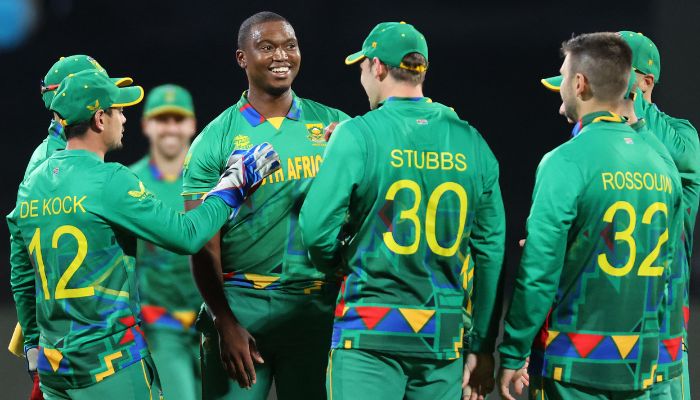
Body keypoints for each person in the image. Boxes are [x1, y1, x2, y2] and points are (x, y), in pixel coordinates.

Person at [8, 69, 279, 399]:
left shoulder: (32, 182)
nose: (124, 118)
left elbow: (23, 274)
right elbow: (187, 235)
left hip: (56, 369)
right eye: (119, 109)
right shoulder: (109, 180)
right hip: (110, 365)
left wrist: (34, 347)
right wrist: (235, 184)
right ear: (99, 118)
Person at [299, 21, 506, 400]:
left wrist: (341, 260)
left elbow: (314, 232)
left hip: (369, 334)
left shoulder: (357, 134)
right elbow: (490, 252)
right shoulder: (473, 141)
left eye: (362, 67)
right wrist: (482, 345)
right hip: (441, 341)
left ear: (377, 67)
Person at [498, 32, 683, 399]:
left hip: (573, 367)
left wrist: (513, 351)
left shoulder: (565, 161)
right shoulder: (662, 161)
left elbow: (539, 272)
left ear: (580, 84)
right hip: (643, 367)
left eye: (565, 76)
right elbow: (671, 270)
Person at [182, 11, 349, 400]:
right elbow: (201, 240)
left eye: (290, 45)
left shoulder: (337, 127)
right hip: (242, 308)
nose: (282, 56)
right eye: (267, 46)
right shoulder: (214, 139)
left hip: (316, 308)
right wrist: (224, 321)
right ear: (242, 58)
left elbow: (373, 210)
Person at [7, 55, 133, 399]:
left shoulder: (75, 155)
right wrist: (33, 341)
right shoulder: (48, 166)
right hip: (77, 348)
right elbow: (22, 263)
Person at [129, 84, 201, 400]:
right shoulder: (130, 184)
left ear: (191, 124)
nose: (170, 127)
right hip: (161, 328)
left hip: (214, 324)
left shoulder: (211, 177)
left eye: (178, 118)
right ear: (146, 125)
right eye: (162, 119)